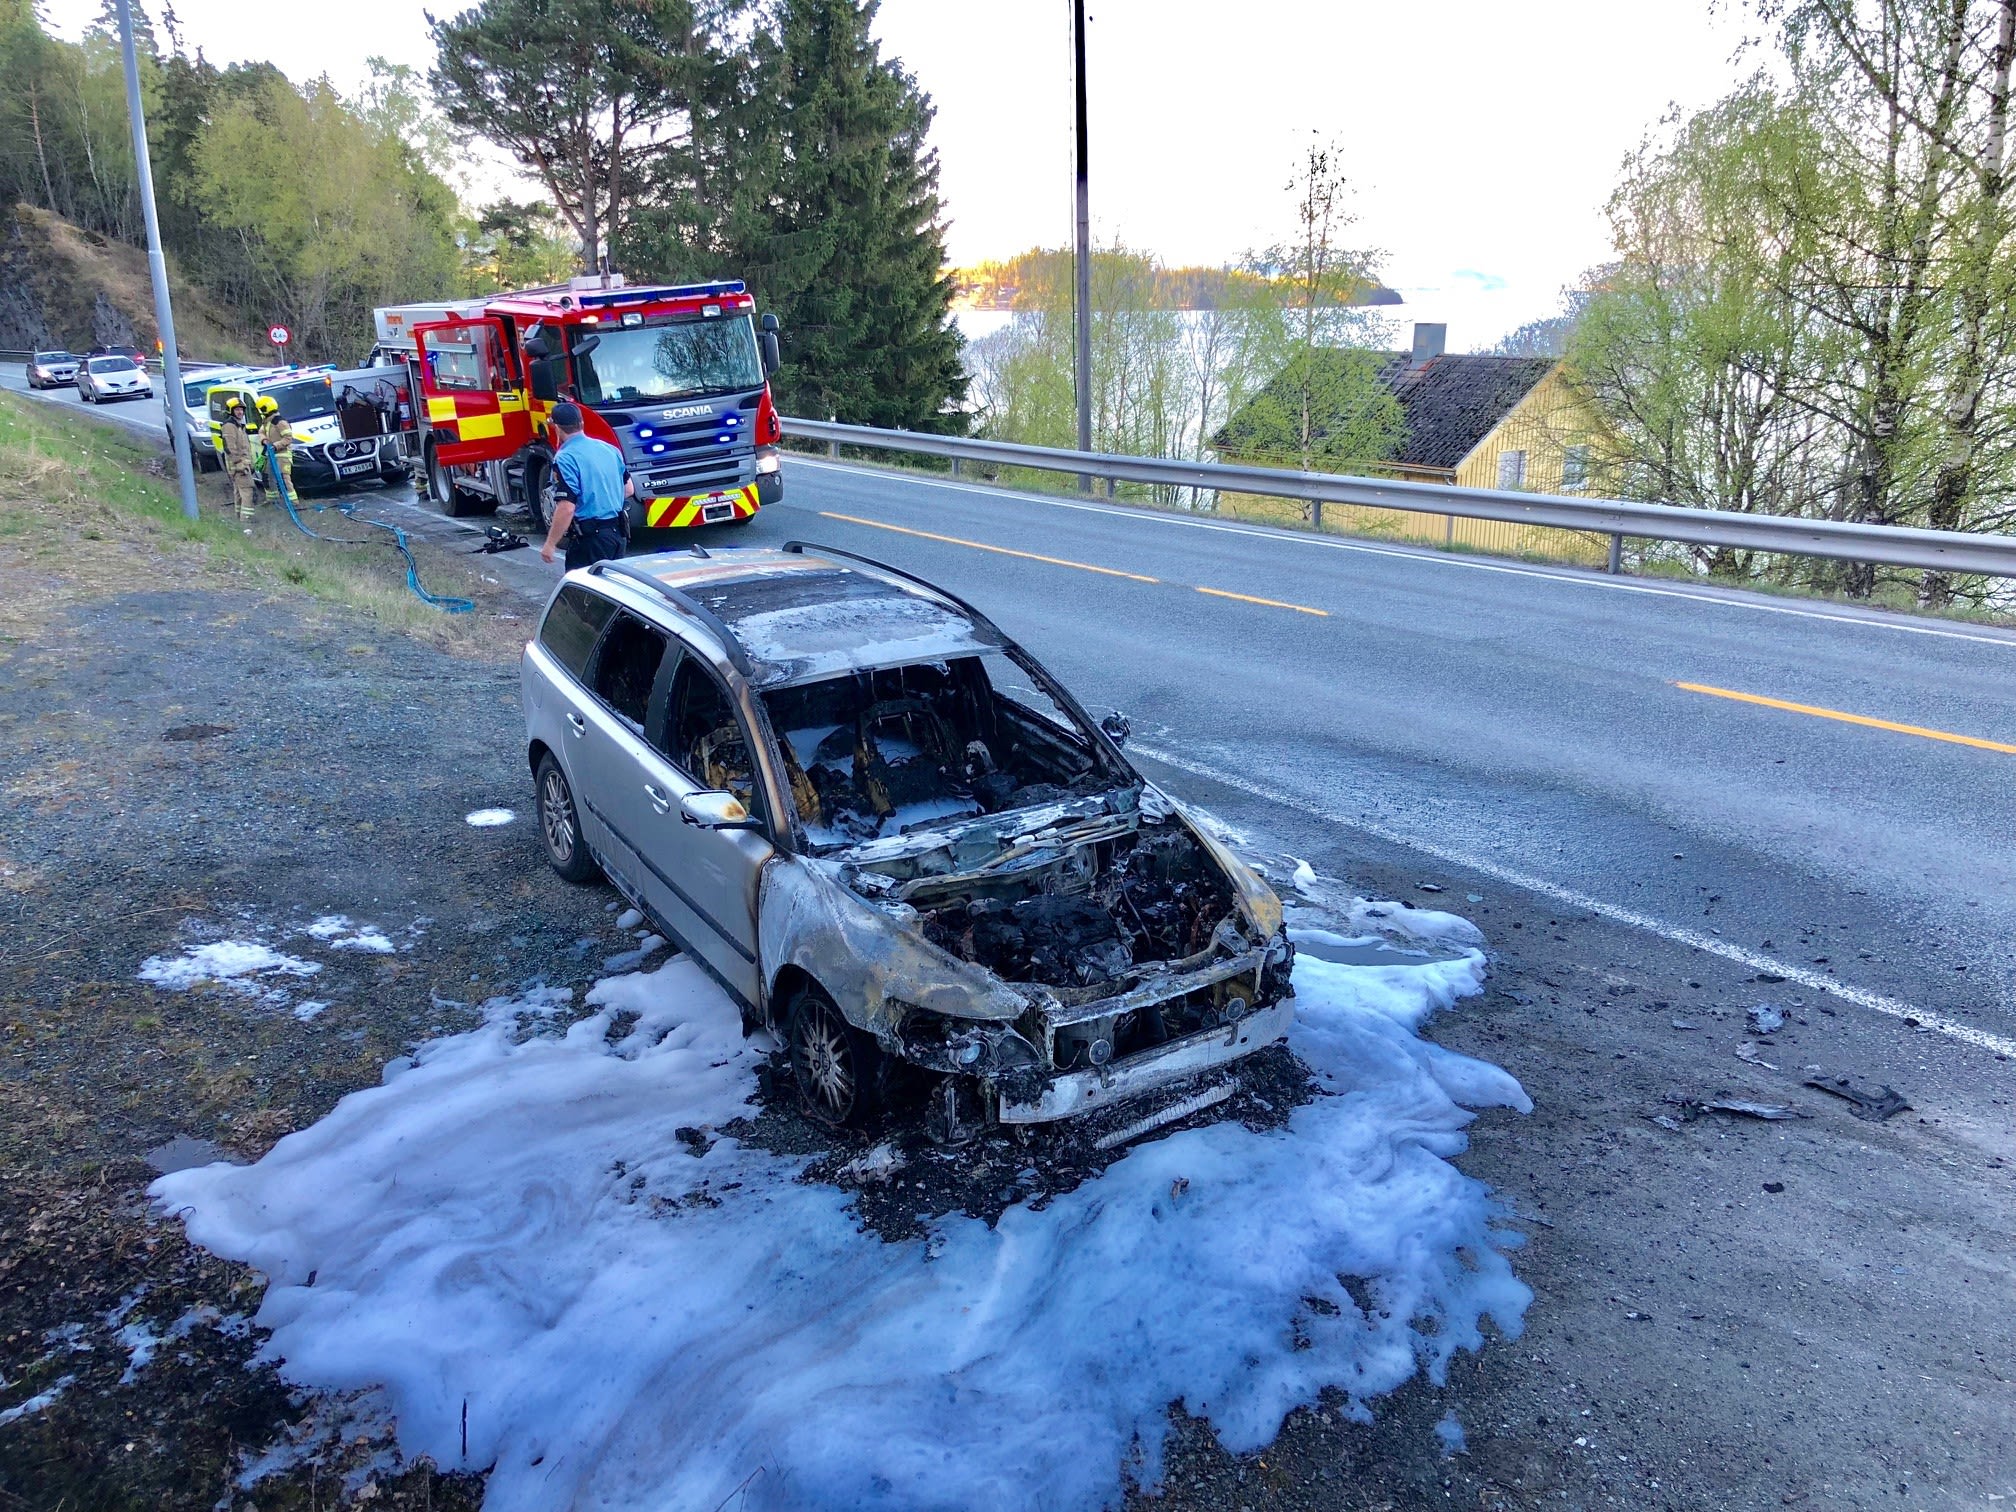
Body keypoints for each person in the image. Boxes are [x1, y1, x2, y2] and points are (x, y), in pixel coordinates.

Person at [540, 400, 634, 569]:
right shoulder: (609, 449)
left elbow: (567, 507)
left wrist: (550, 543)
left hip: (591, 539)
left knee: (580, 585)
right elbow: (628, 489)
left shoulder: (565, 457)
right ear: (581, 423)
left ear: (557, 427)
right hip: (618, 535)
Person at [219, 395, 256, 521]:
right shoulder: (230, 426)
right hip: (238, 465)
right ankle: (247, 519)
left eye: (241, 409)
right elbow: (229, 447)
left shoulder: (238, 425)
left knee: (239, 492)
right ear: (231, 411)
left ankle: (239, 517)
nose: (240, 412)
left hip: (241, 464)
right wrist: (239, 463)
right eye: (237, 410)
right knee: (247, 490)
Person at [256, 396, 295, 502]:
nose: (260, 412)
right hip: (271, 455)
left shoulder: (280, 422)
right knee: (267, 477)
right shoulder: (267, 421)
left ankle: (293, 502)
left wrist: (276, 445)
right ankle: (272, 501)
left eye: (261, 409)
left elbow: (288, 438)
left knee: (284, 479)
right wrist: (264, 440)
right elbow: (261, 431)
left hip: (282, 455)